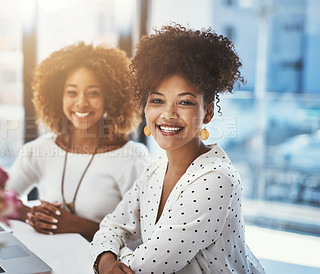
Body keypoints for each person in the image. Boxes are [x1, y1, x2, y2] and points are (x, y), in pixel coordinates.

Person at [91, 24, 266, 273]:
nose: (168, 114)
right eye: (157, 100)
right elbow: (111, 226)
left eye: (184, 102)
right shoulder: (156, 168)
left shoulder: (217, 179)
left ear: (207, 112)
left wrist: (112, 260)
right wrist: (107, 261)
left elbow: (149, 265)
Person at [6, 42, 149, 242]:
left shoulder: (131, 158)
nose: (81, 102)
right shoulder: (41, 150)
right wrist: (32, 215)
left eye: (93, 93)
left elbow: (141, 237)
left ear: (110, 97)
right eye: (72, 92)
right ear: (58, 97)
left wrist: (75, 225)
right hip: (48, 260)